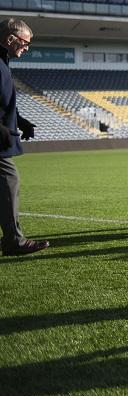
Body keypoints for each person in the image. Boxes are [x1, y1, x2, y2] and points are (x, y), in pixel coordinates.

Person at [0, 18, 48, 257]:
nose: (27, 47)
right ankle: (13, 241)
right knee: (9, 182)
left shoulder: (3, 63)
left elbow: (4, 102)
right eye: (25, 42)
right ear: (10, 39)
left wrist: (21, 122)